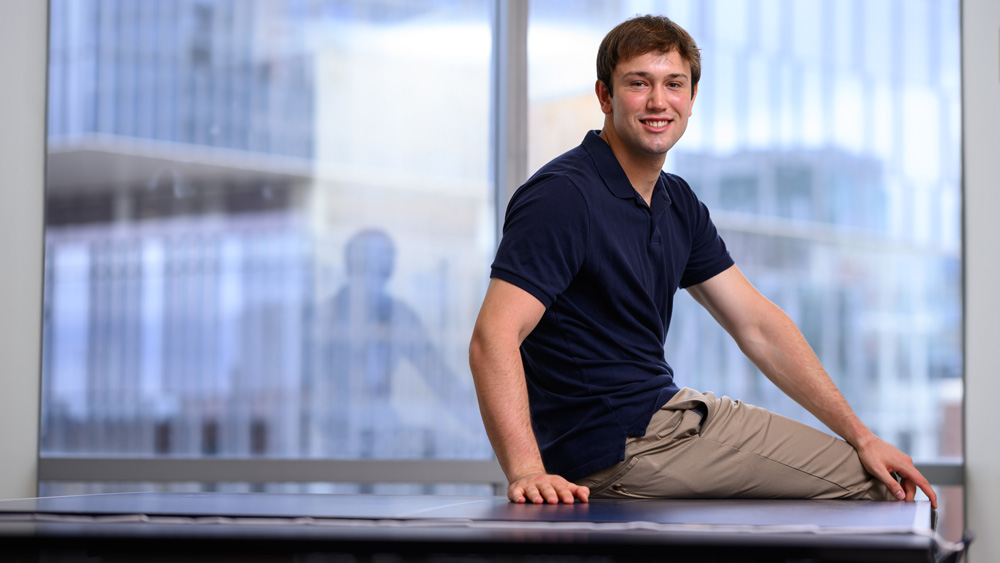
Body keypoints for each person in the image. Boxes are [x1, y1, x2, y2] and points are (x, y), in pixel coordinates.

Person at [468, 14, 937, 507]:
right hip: (625, 443)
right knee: (876, 489)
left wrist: (863, 436)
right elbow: (492, 338)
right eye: (638, 84)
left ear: (691, 100)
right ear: (605, 97)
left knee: (874, 471)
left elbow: (757, 325)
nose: (657, 101)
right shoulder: (563, 195)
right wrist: (526, 470)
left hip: (666, 420)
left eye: (674, 84)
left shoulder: (676, 201)